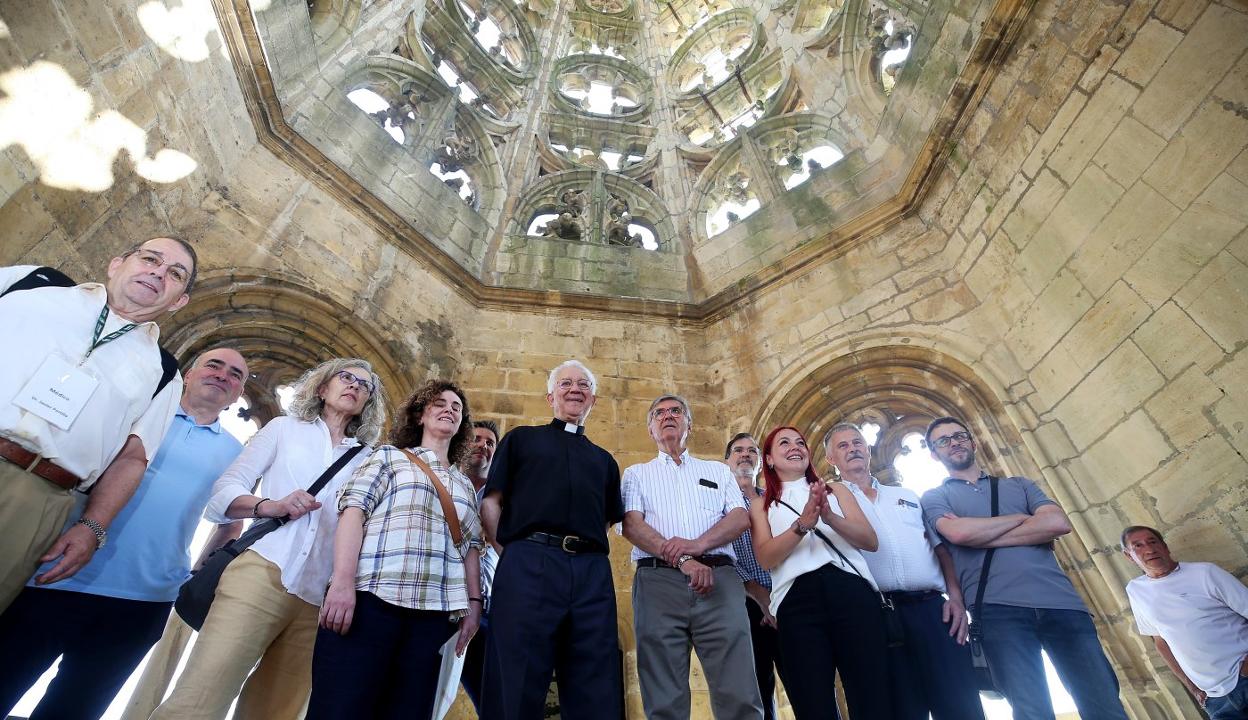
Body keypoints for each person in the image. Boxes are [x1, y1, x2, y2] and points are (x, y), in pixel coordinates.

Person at [0, 347, 247, 719]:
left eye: (235, 374)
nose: (222, 375)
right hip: (58, 576)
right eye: (214, 365)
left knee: (76, 710)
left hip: (144, 602)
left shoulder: (236, 452)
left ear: (238, 395)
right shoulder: (137, 415)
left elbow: (230, 522)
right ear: (189, 373)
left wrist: (197, 577)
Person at [150, 358, 384, 720]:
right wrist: (270, 505)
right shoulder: (284, 429)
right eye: (346, 378)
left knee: (276, 713)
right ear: (322, 388)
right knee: (199, 701)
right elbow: (223, 493)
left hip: (320, 601)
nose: (354, 386)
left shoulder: (369, 459)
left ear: (368, 402)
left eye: (364, 385)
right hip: (261, 573)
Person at [0, 238, 195, 612]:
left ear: (179, 301)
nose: (158, 272)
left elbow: (132, 459)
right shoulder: (33, 284)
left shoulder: (164, 374)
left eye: (175, 274)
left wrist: (93, 526)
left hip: (35, 497)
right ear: (116, 263)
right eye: (150, 259)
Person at [920, 416, 1128, 720]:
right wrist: (1025, 519)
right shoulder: (935, 497)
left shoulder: (1020, 485)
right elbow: (959, 535)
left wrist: (982, 535)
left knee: (1104, 707)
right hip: (996, 609)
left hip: (1062, 604)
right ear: (934, 454)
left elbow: (1058, 523)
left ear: (973, 442)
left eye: (960, 436)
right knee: (1032, 712)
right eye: (943, 440)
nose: (954, 442)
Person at [309, 380, 484, 718]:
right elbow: (353, 512)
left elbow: (472, 547)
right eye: (439, 404)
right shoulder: (389, 457)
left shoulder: (463, 484)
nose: (449, 409)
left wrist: (473, 605)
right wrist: (342, 582)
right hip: (371, 600)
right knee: (340, 708)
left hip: (434, 617)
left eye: (456, 407)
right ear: (420, 415)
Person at [480, 360, 625, 720]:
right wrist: (512, 552)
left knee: (595, 676)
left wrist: (578, 551)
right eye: (566, 383)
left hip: (591, 571)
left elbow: (606, 517)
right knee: (517, 673)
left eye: (583, 384)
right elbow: (491, 502)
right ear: (550, 396)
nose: (575, 389)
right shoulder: (521, 440)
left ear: (593, 399)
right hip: (528, 562)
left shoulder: (604, 461)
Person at [824, 422, 985, 720]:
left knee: (960, 703)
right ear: (831, 459)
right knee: (902, 709)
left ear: (868, 449)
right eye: (843, 446)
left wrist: (956, 598)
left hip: (932, 610)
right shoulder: (829, 503)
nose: (853, 449)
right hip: (878, 617)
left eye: (857, 442)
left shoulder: (908, 494)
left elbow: (940, 549)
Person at [622, 395, 760, 720]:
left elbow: (739, 518)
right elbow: (631, 524)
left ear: (689, 424)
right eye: (659, 413)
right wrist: (684, 560)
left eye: (676, 411)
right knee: (663, 696)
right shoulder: (636, 474)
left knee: (739, 690)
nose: (667, 416)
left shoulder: (717, 470)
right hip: (658, 583)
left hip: (720, 582)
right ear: (650, 428)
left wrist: (697, 546)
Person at [749, 426, 891, 719]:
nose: (795, 447)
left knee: (871, 693)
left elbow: (869, 540)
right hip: (797, 601)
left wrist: (828, 516)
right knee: (812, 700)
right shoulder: (760, 504)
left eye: (800, 442)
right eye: (784, 443)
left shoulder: (835, 490)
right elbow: (765, 557)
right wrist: (802, 525)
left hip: (850, 591)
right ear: (770, 459)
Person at [1122, 525, 1248, 719]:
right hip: (1215, 699)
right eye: (1137, 546)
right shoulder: (1136, 590)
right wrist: (1192, 688)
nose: (1149, 549)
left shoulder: (1205, 573)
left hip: (1244, 677)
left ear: (1165, 546)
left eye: (1153, 542)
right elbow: (1161, 642)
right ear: (1129, 556)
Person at [725, 432, 788, 720]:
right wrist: (758, 594)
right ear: (727, 460)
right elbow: (723, 553)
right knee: (757, 690)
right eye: (738, 450)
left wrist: (775, 596)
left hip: (785, 598)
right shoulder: (719, 502)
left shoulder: (777, 501)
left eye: (752, 450)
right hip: (743, 603)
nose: (745, 455)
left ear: (762, 462)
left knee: (807, 682)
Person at [460, 419, 501, 712]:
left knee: (493, 699)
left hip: (486, 606)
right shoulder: (446, 483)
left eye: (489, 443)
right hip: (438, 602)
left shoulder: (503, 498)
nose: (482, 446)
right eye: (476, 439)